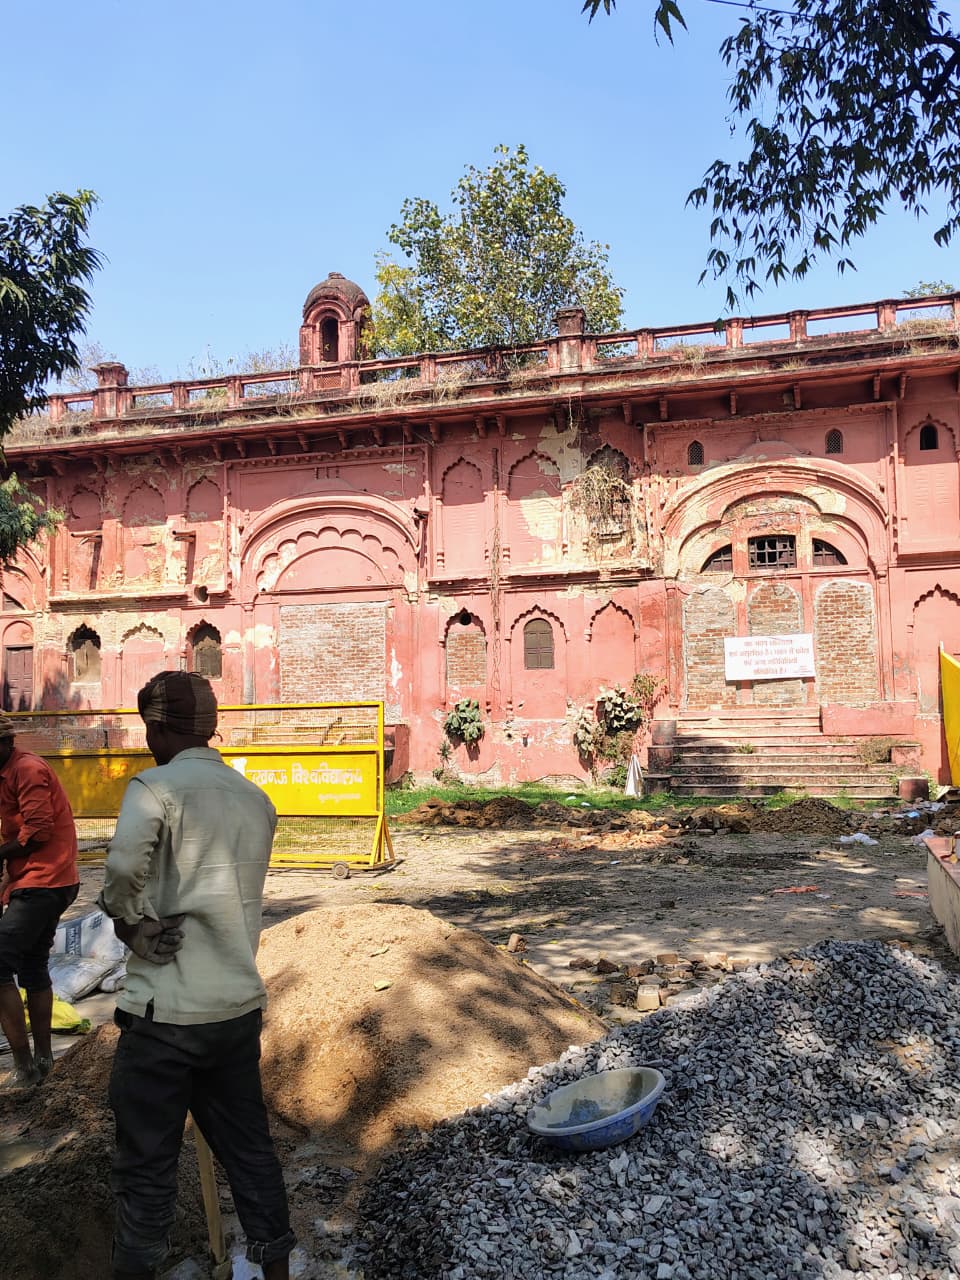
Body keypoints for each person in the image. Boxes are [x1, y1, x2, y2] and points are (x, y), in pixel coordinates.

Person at [98, 670, 294, 1280]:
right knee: (251, 1155)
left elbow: (123, 867)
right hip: (236, 1009)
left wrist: (131, 925)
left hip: (165, 1017)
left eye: (148, 728)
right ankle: (277, 1270)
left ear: (157, 727)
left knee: (147, 1164)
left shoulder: (155, 788)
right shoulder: (253, 797)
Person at [0, 714, 80, 1089]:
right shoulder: (7, 773)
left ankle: (25, 1067)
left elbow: (38, 831)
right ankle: (45, 1061)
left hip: (44, 881)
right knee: (32, 965)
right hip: (39, 882)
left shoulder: (28, 770)